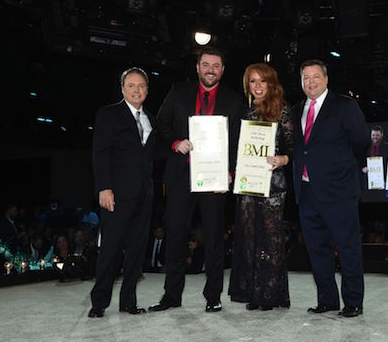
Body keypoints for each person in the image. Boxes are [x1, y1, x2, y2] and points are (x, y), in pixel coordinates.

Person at [151, 47, 244, 313]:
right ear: (197, 67)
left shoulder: (234, 101)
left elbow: (237, 142)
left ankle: (213, 296)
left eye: (216, 65)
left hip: (215, 178)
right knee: (176, 235)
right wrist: (176, 142)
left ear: (223, 70)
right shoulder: (178, 93)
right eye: (206, 65)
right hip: (182, 175)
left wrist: (230, 172)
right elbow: (161, 124)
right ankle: (171, 296)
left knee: (214, 238)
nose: (210, 70)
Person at [291, 59, 370, 318]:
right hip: (306, 190)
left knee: (347, 247)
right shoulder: (295, 110)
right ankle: (327, 299)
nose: (310, 82)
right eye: (305, 78)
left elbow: (361, 142)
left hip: (339, 191)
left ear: (326, 79)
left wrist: (340, 168)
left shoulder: (345, 105)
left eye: (315, 77)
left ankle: (353, 302)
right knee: (317, 249)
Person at [88, 67, 156, 318]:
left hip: (144, 195)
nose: (137, 90)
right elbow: (100, 153)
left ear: (147, 90)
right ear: (122, 89)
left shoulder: (150, 118)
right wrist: (104, 188)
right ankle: (99, 303)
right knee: (111, 249)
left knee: (137, 251)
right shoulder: (109, 114)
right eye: (131, 85)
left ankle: (128, 301)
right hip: (116, 194)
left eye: (141, 86)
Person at [228, 63, 293, 311]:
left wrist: (283, 159)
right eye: (252, 81)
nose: (257, 86)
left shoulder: (282, 111)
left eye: (262, 81)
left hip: (273, 186)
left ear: (271, 83)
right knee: (249, 238)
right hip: (248, 184)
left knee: (270, 240)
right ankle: (253, 292)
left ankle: (269, 293)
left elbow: (293, 150)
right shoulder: (245, 114)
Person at [360, 126, 388, 201]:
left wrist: (387, 181)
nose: (375, 137)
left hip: (382, 183)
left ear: (382, 135)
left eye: (377, 135)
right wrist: (362, 169)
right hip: (367, 183)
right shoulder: (365, 147)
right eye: (373, 135)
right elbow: (360, 162)